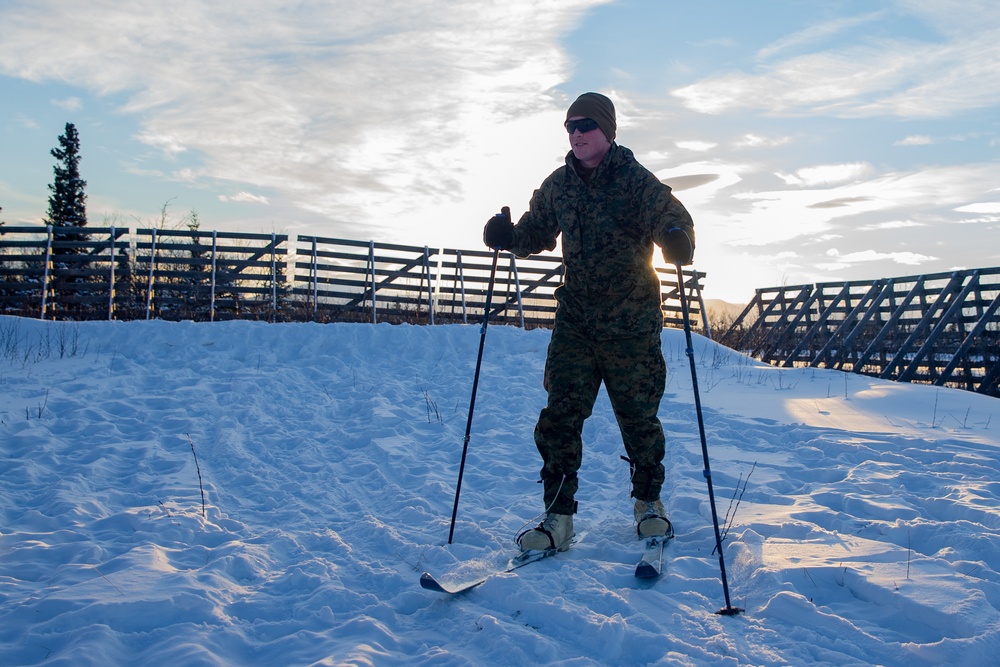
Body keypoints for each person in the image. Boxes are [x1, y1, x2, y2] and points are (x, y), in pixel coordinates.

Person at [483, 92, 695, 553]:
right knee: (559, 416)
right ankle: (558, 516)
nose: (576, 134)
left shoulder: (636, 181)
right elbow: (534, 230)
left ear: (607, 130)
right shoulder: (559, 185)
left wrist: (677, 238)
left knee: (639, 418)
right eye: (570, 127)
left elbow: (669, 215)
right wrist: (507, 236)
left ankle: (648, 503)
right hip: (576, 322)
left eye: (585, 125)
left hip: (631, 324)